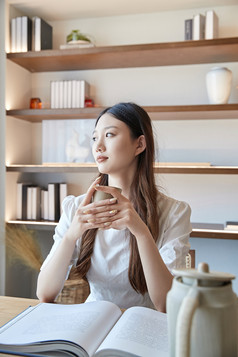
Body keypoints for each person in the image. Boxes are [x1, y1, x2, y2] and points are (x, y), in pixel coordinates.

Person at [36, 102, 192, 312]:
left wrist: (142, 233)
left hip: (144, 327)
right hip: (93, 322)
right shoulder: (76, 207)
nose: (98, 146)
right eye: (94, 138)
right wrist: (72, 234)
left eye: (109, 135)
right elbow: (45, 293)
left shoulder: (174, 213)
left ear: (140, 145)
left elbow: (165, 304)